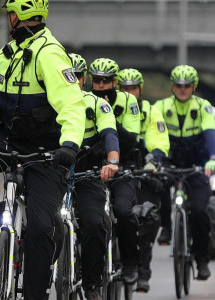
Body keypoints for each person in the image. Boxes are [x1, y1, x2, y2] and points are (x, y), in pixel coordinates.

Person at [0, 1, 86, 299]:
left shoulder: (50, 54)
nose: (7, 19)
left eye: (9, 14)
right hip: (7, 137)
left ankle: (36, 294)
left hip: (46, 150)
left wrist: (70, 145)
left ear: (17, 16)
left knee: (39, 226)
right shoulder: (6, 53)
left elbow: (73, 105)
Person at [153, 65, 215, 280]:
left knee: (200, 211)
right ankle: (166, 226)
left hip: (197, 166)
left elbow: (210, 132)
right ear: (172, 86)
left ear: (194, 86)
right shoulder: (161, 106)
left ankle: (202, 260)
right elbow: (152, 134)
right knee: (158, 183)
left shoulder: (202, 107)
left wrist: (213, 159)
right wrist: (153, 160)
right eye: (178, 85)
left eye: (187, 85)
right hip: (170, 162)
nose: (182, 89)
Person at [68, 53, 120, 300]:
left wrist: (112, 161)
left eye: (77, 76)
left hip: (88, 176)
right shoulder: (47, 101)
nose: (72, 80)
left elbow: (110, 132)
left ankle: (91, 285)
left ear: (83, 78)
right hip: (54, 177)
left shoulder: (99, 104)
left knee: (94, 224)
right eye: (67, 75)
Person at [88, 58, 141, 284]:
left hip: (123, 167)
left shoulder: (129, 101)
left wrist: (108, 116)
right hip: (92, 167)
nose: (101, 85)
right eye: (97, 81)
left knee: (123, 211)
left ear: (115, 82)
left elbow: (130, 140)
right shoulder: (85, 100)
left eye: (106, 81)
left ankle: (130, 263)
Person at [116, 68, 169, 292]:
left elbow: (159, 140)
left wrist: (153, 161)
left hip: (143, 171)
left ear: (141, 90)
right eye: (124, 88)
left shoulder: (150, 111)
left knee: (147, 217)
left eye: (133, 88)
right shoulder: (112, 107)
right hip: (117, 170)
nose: (129, 92)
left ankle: (143, 271)